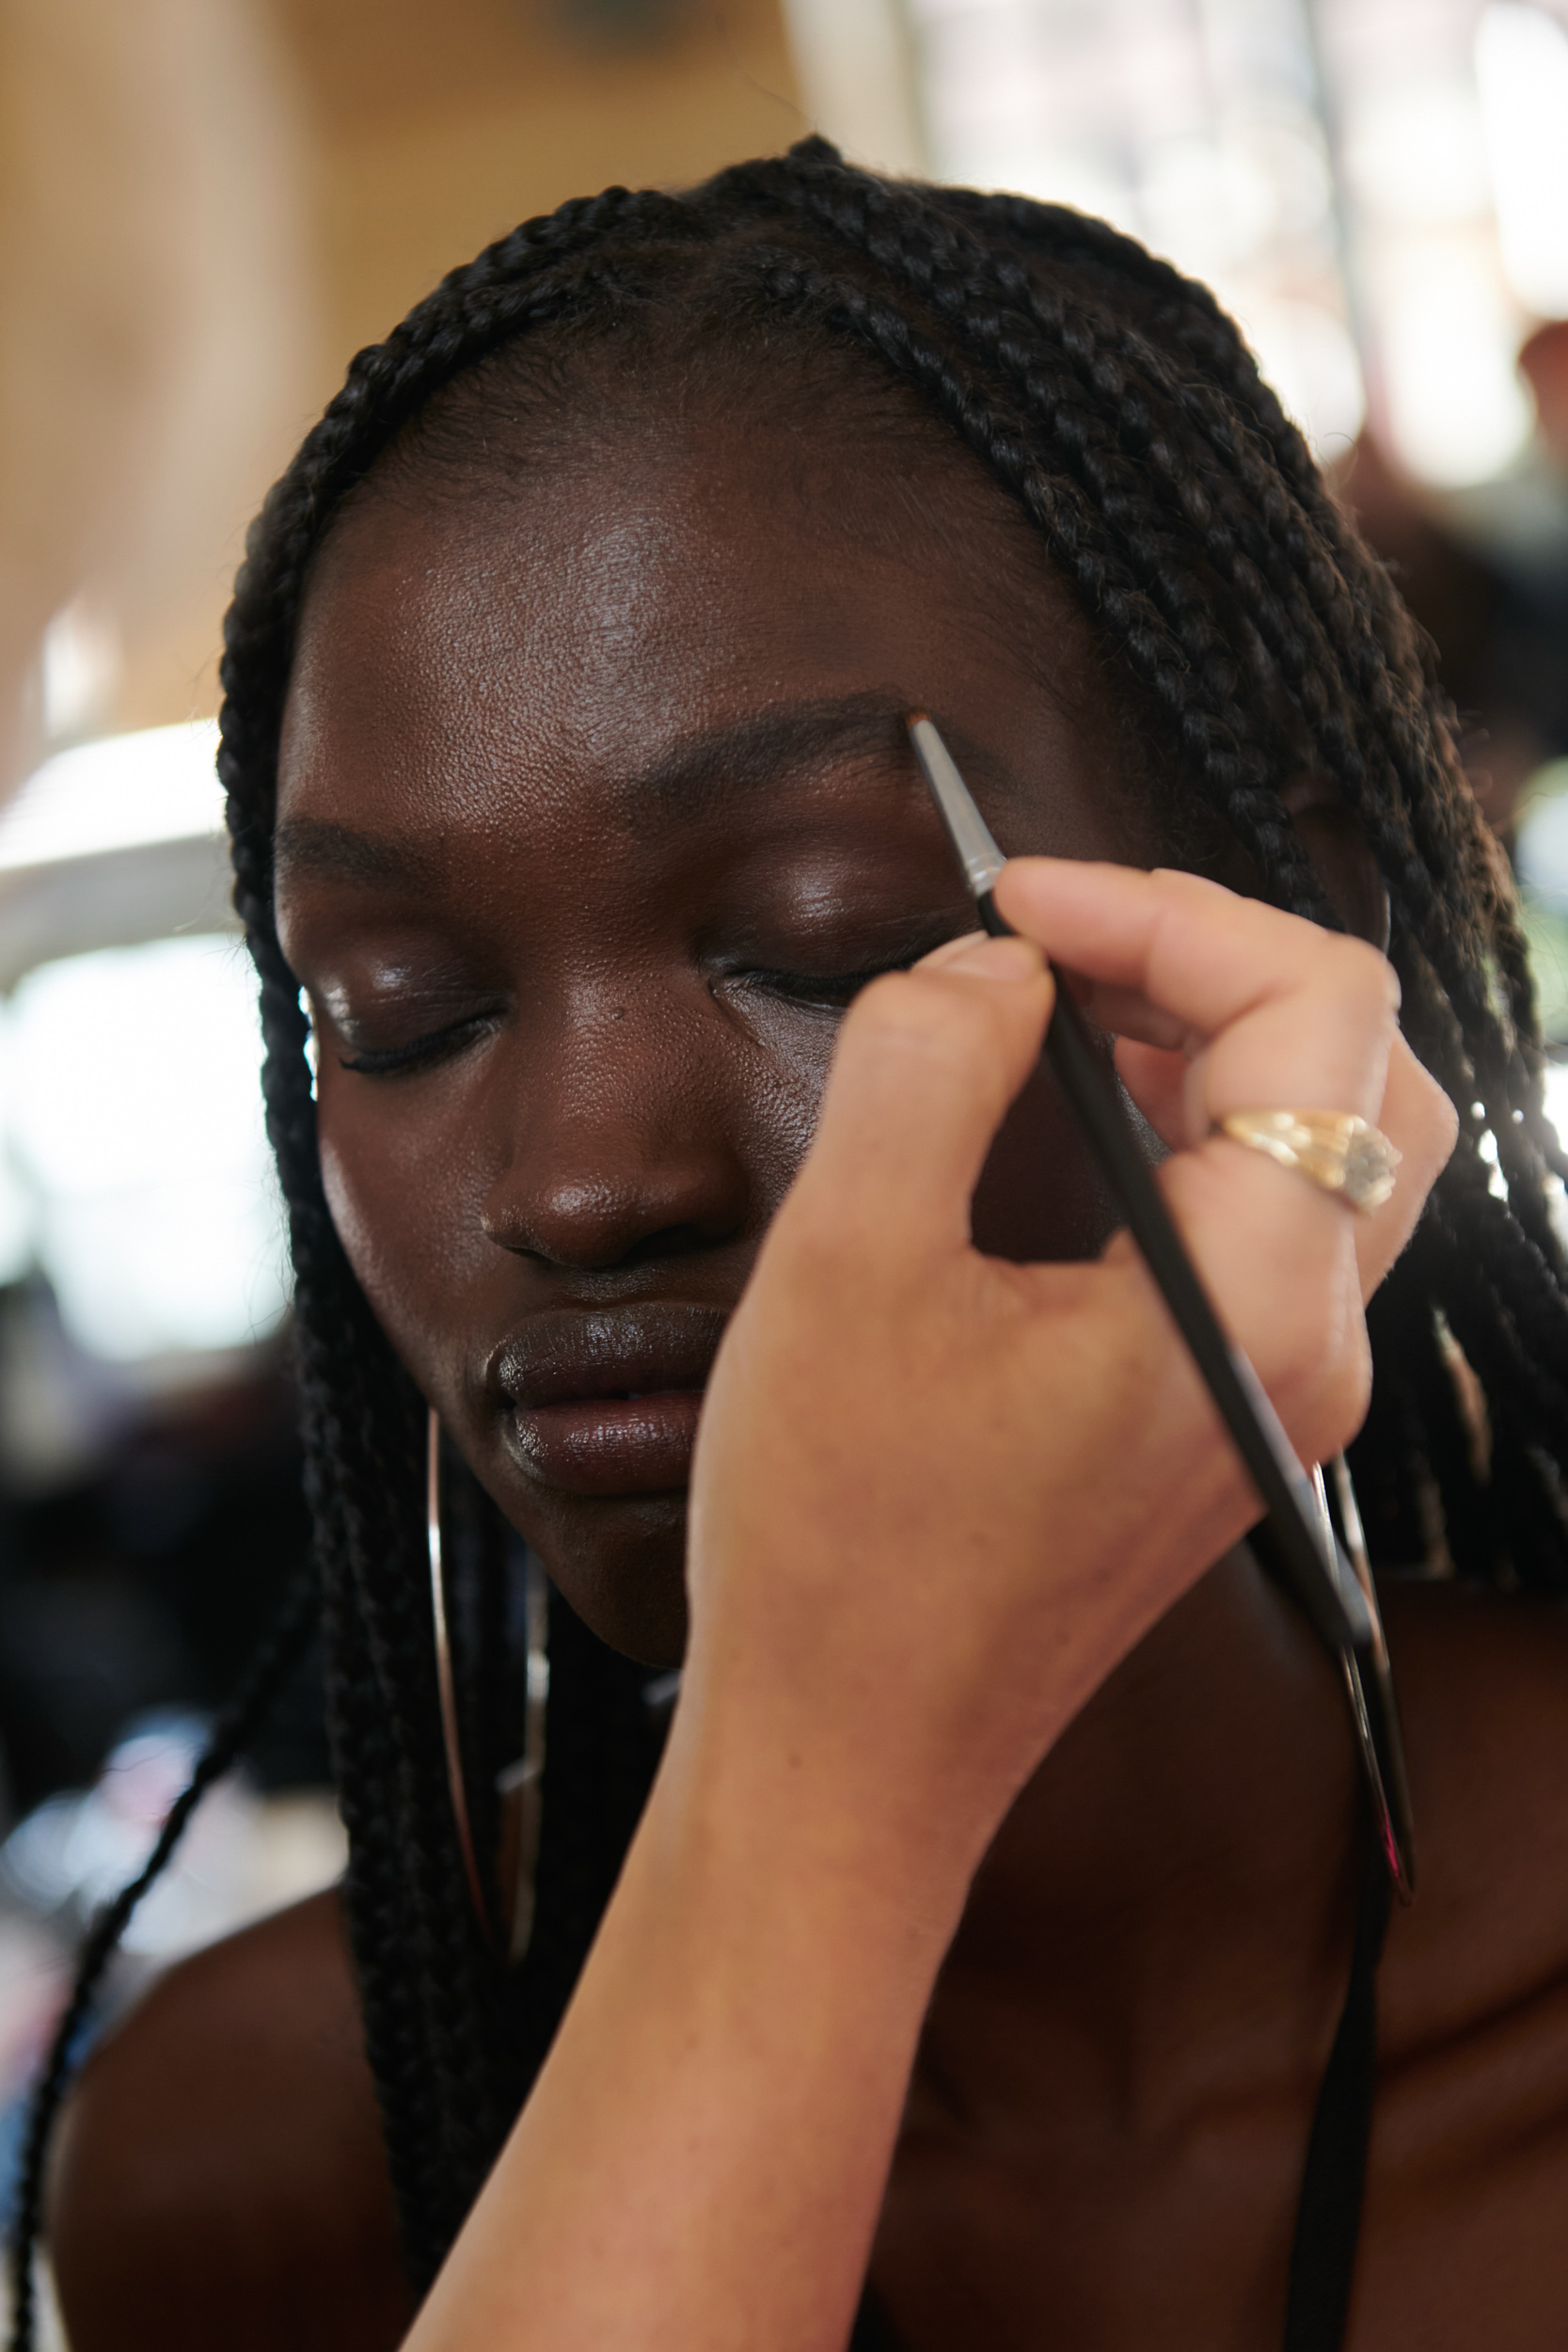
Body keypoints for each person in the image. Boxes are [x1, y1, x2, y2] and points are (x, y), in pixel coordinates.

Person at [22, 140, 1568, 2351]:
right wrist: (828, 1780)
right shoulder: (266, 2160)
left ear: (1266, 929)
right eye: (399, 1012)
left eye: (817, 943)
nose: (577, 1182)